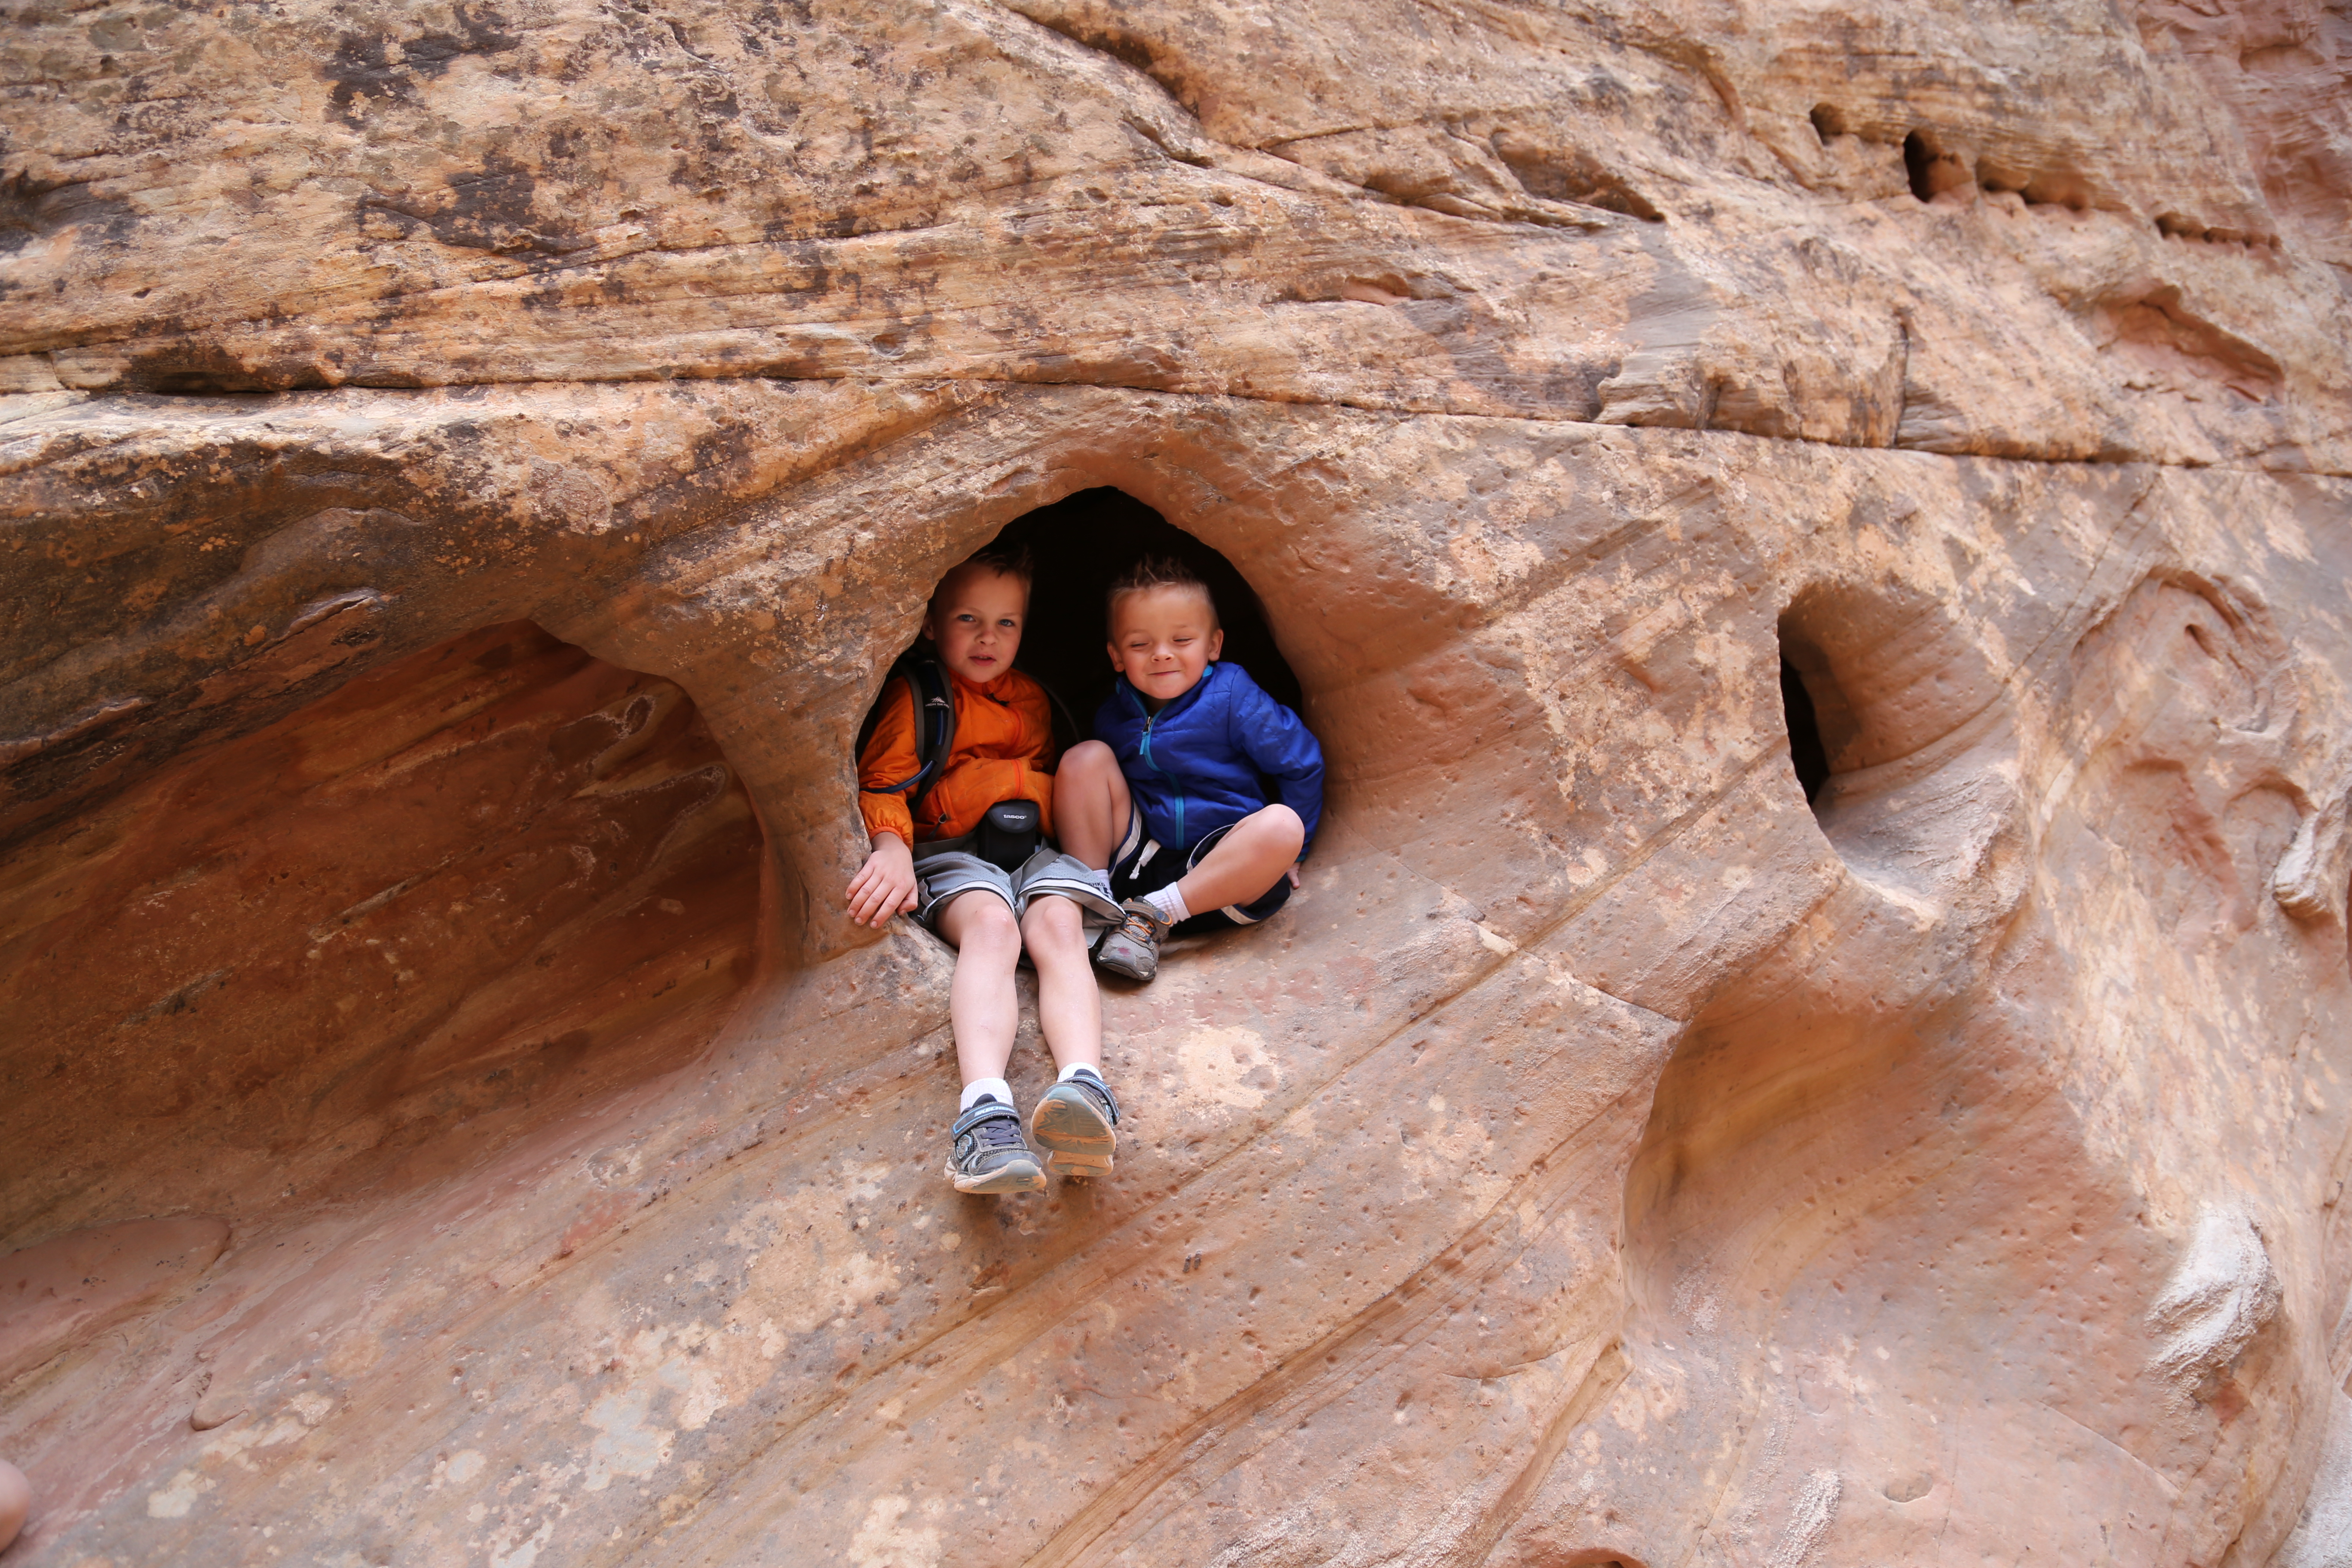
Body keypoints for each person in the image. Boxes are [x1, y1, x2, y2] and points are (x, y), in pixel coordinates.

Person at [845, 545, 1125, 1193]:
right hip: (953, 855)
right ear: (930, 624)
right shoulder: (919, 697)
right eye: (968, 619)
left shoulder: (1030, 699)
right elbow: (882, 782)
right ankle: (983, 1114)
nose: (988, 638)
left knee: (1057, 926)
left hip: (1030, 856)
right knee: (995, 931)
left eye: (1006, 623)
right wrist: (890, 849)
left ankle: (1084, 1086)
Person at [1055, 555, 1323, 982]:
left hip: (1223, 870)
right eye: (1141, 644)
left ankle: (1154, 917)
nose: (1162, 654)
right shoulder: (1114, 716)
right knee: (1084, 758)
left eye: (1182, 639)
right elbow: (1097, 799)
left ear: (1214, 645)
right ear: (1117, 656)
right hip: (1143, 861)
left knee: (1283, 826)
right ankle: (1094, 899)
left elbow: (1301, 762)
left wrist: (1298, 850)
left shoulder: (1233, 694)